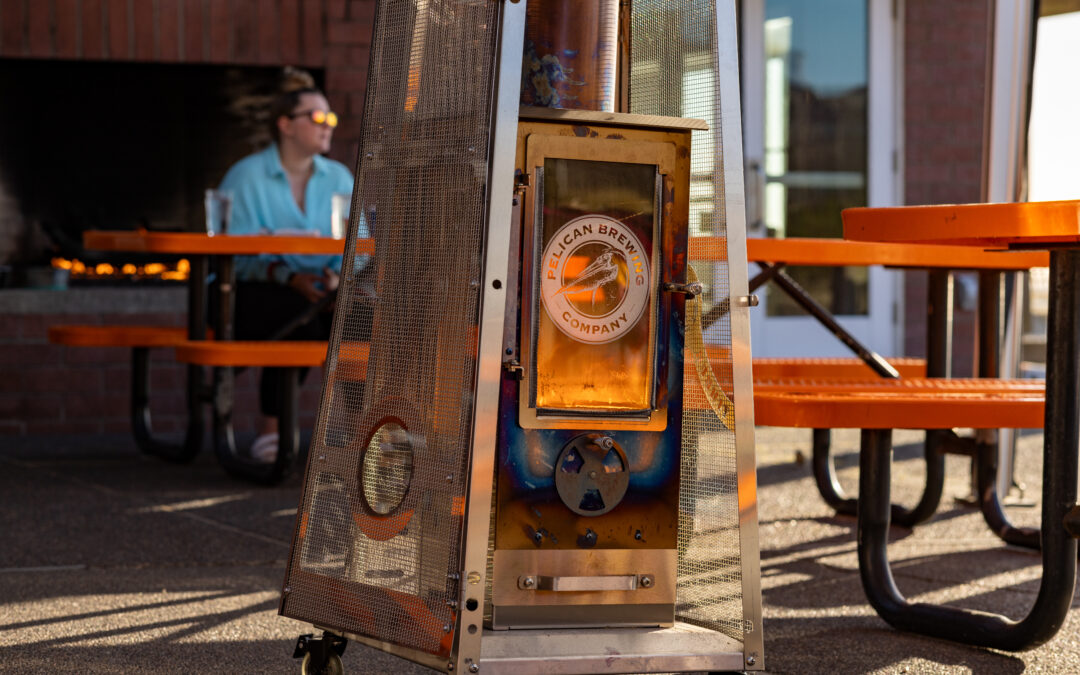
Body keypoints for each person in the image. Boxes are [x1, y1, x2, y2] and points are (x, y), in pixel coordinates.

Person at [218, 68, 369, 462]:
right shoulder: (246, 177)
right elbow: (233, 255)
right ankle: (272, 428)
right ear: (286, 125)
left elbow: (363, 248)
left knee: (361, 314)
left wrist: (341, 279)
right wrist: (290, 277)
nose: (327, 126)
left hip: (326, 288)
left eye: (331, 118)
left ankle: (363, 434)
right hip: (253, 290)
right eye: (317, 118)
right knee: (298, 311)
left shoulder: (339, 177)